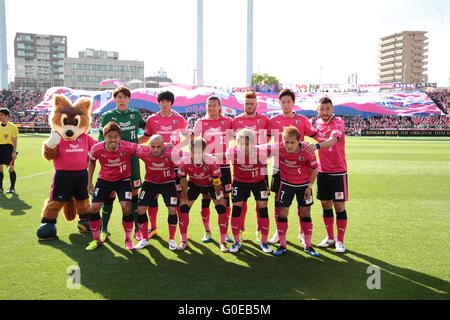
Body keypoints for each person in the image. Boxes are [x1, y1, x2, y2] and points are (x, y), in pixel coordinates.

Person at [267, 89, 317, 244]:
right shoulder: (273, 120)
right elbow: (267, 142)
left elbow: (316, 136)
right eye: (283, 102)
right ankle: (278, 231)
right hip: (279, 167)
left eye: (289, 101)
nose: (286, 105)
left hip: (301, 169)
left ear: (293, 103)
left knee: (303, 202)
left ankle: (303, 232)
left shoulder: (302, 120)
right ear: (279, 103)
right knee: (278, 200)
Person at [97, 87, 146, 242]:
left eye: (125, 97)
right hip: (113, 161)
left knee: (134, 194)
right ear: (115, 99)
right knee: (110, 194)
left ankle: (137, 229)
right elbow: (100, 138)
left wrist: (138, 143)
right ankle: (104, 229)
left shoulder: (135, 114)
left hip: (132, 160)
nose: (122, 100)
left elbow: (148, 130)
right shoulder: (107, 116)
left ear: (129, 99)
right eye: (119, 97)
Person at [140, 91, 188, 240]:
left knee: (176, 199)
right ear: (159, 102)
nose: (165, 104)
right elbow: (146, 139)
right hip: (155, 164)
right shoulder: (151, 119)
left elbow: (186, 139)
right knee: (152, 198)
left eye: (167, 101)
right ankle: (153, 228)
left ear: (171, 103)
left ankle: (180, 232)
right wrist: (127, 142)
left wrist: (176, 148)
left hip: (173, 164)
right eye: (162, 101)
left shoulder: (179, 119)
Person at [86, 122, 139, 251]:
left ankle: (128, 239)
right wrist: (89, 182)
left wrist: (164, 148)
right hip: (104, 181)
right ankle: (96, 239)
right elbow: (91, 162)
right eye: (109, 136)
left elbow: (144, 151)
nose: (113, 139)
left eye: (116, 136)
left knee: (127, 208)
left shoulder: (127, 146)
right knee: (93, 208)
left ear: (120, 137)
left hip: (123, 181)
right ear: (105, 137)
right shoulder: (96, 148)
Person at [304, 97, 348, 253]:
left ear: (332, 109)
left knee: (339, 206)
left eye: (327, 109)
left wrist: (315, 146)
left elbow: (333, 140)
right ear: (317, 110)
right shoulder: (317, 123)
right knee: (325, 204)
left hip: (338, 171)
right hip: (322, 172)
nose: (324, 112)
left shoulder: (338, 122)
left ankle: (340, 241)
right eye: (321, 109)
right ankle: (330, 238)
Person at [271, 126, 319, 257]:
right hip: (286, 185)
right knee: (282, 213)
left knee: (305, 214)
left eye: (292, 142)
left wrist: (310, 186)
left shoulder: (308, 150)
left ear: (298, 141)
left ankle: (308, 246)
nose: (289, 145)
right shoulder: (278, 148)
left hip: (304, 186)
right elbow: (260, 150)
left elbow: (315, 168)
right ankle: (282, 245)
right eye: (286, 142)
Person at [193, 96, 234, 247]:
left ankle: (226, 230)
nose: (211, 108)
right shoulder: (200, 122)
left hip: (224, 166)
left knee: (225, 199)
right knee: (206, 198)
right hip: (206, 167)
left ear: (219, 106)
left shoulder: (228, 122)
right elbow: (193, 141)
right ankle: (207, 231)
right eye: (208, 105)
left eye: (214, 105)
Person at [177, 138, 229, 252]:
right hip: (194, 184)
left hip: (211, 185)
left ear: (204, 150)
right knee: (183, 207)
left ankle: (223, 242)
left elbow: (216, 180)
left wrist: (219, 195)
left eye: (199, 152)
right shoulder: (184, 160)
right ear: (190, 150)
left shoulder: (212, 160)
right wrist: (184, 196)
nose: (196, 154)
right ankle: (184, 240)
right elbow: (183, 180)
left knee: (221, 207)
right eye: (193, 151)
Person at [226, 129, 272, 254]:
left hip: (258, 183)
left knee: (263, 209)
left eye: (247, 143)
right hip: (240, 183)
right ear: (237, 143)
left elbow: (283, 147)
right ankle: (236, 242)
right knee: (236, 210)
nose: (244, 147)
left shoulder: (262, 151)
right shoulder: (232, 152)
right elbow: (214, 156)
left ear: (253, 143)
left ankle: (264, 241)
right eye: (241, 143)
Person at [231, 91, 270, 242]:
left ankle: (260, 230)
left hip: (261, 164)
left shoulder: (265, 119)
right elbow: (234, 142)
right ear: (243, 104)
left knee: (262, 201)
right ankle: (240, 229)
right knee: (241, 201)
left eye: (252, 104)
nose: (249, 106)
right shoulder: (236, 120)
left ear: (257, 105)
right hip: (242, 165)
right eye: (247, 103)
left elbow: (268, 140)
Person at [133, 135, 181, 251]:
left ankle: (172, 240)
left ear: (163, 145)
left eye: (158, 147)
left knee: (172, 210)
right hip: (150, 183)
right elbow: (128, 147)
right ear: (149, 146)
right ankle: (145, 239)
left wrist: (175, 149)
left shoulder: (171, 153)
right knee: (140, 210)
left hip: (168, 183)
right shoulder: (143, 152)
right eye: (153, 147)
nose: (155, 150)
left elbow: (188, 158)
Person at [0, 108, 19, 194]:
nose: (0, 117)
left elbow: (15, 141)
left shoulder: (13, 127)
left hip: (8, 148)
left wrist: (14, 152)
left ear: (7, 116)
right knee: (0, 168)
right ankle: (0, 187)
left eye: (1, 115)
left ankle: (12, 188)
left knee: (11, 168)